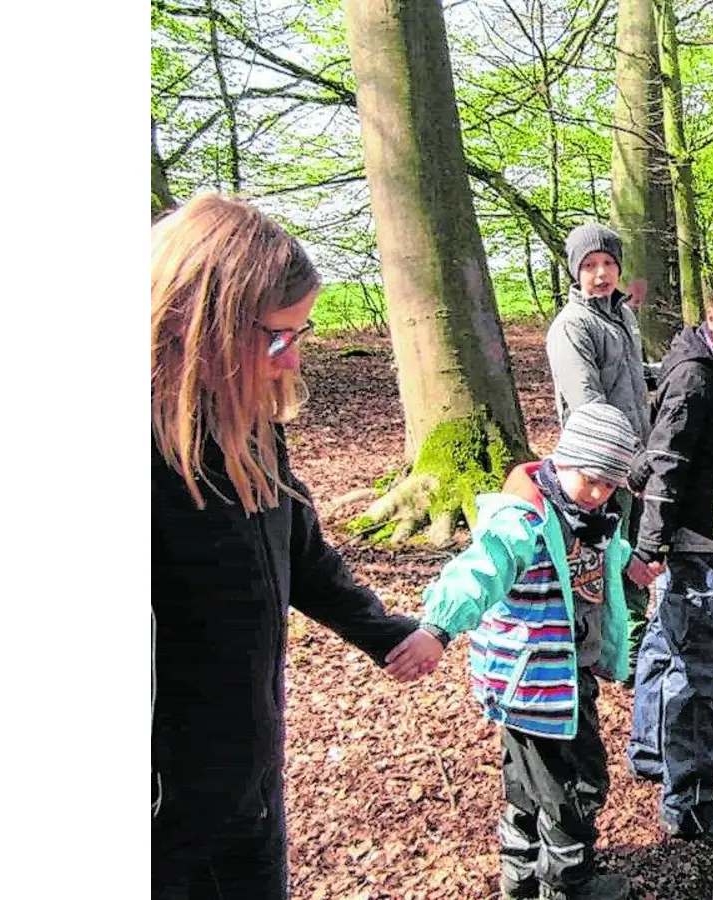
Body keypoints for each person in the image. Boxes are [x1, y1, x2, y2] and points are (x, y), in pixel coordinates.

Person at [152, 195, 434, 899]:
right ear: (199, 320)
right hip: (164, 820)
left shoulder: (248, 426)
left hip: (249, 785)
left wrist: (383, 631)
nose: (294, 357)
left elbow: (300, 550)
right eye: (280, 335)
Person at [402, 402, 654, 900]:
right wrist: (437, 627)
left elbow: (595, 553)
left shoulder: (592, 514)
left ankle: (519, 872)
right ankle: (569, 882)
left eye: (611, 484)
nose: (600, 493)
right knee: (575, 784)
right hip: (535, 681)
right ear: (563, 461)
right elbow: (479, 568)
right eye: (592, 479)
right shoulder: (525, 520)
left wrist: (627, 562)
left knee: (526, 781)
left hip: (564, 671)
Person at [626, 274, 713, 847]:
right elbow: (665, 462)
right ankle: (692, 805)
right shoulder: (696, 378)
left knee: (666, 647)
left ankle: (650, 750)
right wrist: (651, 545)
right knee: (698, 672)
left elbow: (655, 457)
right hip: (697, 546)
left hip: (701, 536)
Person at [545, 223, 653, 679]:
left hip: (636, 456)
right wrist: (622, 465)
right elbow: (588, 403)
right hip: (601, 466)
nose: (601, 273)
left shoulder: (622, 316)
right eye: (590, 266)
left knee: (635, 549)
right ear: (575, 272)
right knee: (611, 552)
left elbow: (629, 373)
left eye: (608, 264)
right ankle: (622, 655)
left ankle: (638, 642)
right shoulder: (573, 327)